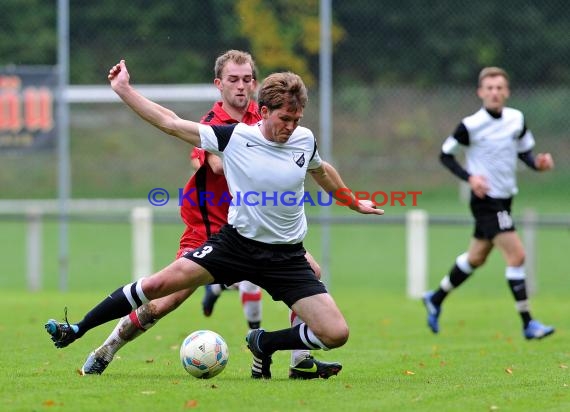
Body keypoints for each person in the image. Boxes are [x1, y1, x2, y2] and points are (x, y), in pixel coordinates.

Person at [46, 59, 383, 380]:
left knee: (336, 333)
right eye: (285, 120)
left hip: (285, 256)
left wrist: (352, 202)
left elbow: (321, 170)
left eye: (297, 119)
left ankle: (265, 344)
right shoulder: (234, 136)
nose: (291, 127)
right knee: (158, 288)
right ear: (264, 112)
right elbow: (170, 122)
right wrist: (124, 90)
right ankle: (80, 328)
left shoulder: (303, 139)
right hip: (233, 244)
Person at [422, 66, 555, 340]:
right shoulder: (470, 125)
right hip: (486, 201)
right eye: (489, 88)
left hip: (506, 199)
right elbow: (445, 155)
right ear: (481, 92)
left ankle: (435, 298)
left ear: (506, 92)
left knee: (476, 258)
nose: (494, 92)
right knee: (517, 256)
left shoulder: (516, 119)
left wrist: (538, 164)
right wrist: (470, 178)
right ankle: (528, 323)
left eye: (499, 88)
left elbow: (525, 154)